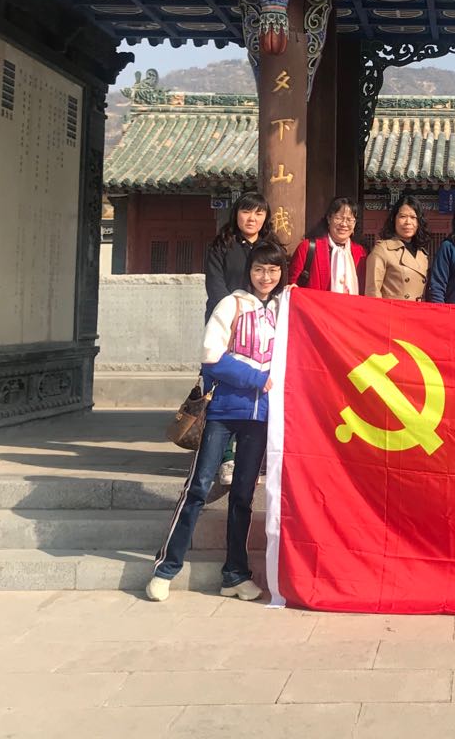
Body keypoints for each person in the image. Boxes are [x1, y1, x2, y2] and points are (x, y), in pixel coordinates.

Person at [148, 239, 288, 603]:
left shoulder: (282, 310)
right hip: (223, 412)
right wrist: (256, 378)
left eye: (273, 270)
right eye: (259, 269)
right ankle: (166, 567)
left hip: (260, 417)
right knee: (198, 488)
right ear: (249, 271)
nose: (266, 276)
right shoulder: (232, 304)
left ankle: (235, 574)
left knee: (243, 496)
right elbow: (211, 356)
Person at [203, 191, 274, 322]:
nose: (252, 218)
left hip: (262, 320)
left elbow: (279, 283)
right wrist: (236, 314)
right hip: (226, 318)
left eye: (259, 214)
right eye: (246, 212)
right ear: (236, 214)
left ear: (266, 217)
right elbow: (215, 285)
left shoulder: (272, 248)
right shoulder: (221, 246)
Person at [290, 197, 366, 293]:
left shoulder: (361, 253)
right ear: (329, 219)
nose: (344, 224)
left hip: (351, 303)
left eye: (349, 220)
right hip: (316, 303)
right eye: (339, 218)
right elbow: (292, 285)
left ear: (355, 223)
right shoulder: (307, 247)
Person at [365, 193, 431, 301]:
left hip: (418, 310)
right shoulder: (382, 250)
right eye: (403, 216)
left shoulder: (422, 254)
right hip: (392, 310)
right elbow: (372, 291)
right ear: (394, 219)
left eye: (413, 217)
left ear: (419, 222)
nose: (408, 222)